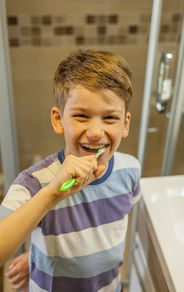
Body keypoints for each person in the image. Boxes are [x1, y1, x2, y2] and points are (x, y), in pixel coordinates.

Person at [0, 49, 141, 292]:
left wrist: (37, 257)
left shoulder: (130, 170)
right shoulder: (36, 182)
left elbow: (103, 237)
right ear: (58, 120)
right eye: (82, 116)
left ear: (125, 124)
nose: (96, 132)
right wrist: (52, 194)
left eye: (109, 118)